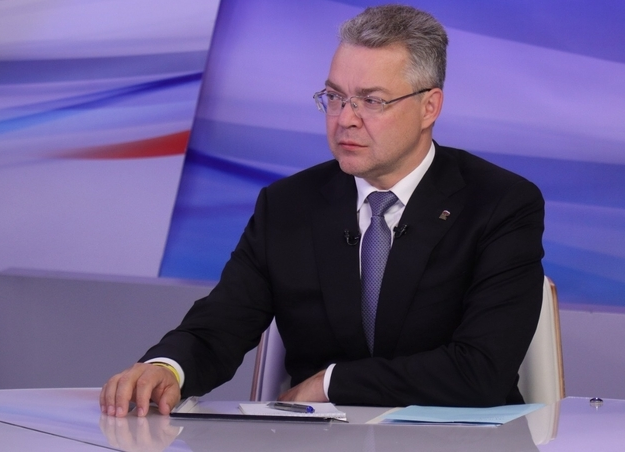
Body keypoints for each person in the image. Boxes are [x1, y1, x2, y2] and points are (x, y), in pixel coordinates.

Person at [100, 4, 544, 418]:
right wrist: (167, 368)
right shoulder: (288, 205)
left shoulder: (500, 204)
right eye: (335, 97)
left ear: (429, 107)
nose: (345, 118)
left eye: (372, 101)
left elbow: (480, 371)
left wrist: (331, 384)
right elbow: (221, 324)